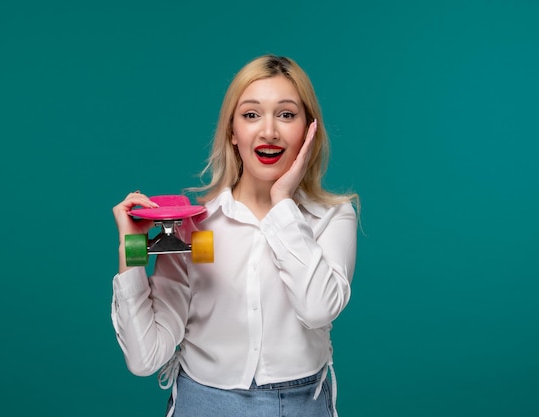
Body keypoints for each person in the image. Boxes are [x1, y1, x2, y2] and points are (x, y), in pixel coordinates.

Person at [111, 54, 359, 417]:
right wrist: (131, 248)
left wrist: (281, 203)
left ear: (309, 130)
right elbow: (145, 357)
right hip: (203, 403)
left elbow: (318, 309)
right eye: (251, 114)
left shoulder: (333, 216)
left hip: (303, 405)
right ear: (232, 131)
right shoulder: (193, 225)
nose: (269, 131)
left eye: (287, 115)